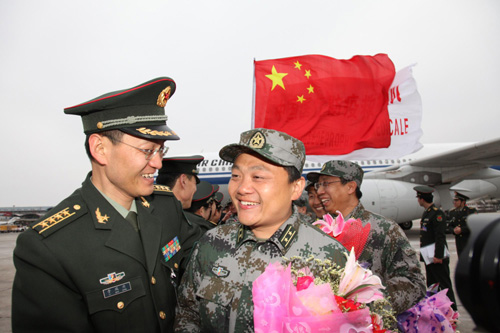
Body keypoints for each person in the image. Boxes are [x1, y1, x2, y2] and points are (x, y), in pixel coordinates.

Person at [12, 77, 186, 332]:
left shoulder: (165, 206)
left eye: (162, 151)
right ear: (100, 149)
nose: (158, 163)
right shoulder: (48, 248)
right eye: (148, 150)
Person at [174, 128, 348, 332]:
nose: (241, 188)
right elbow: (187, 314)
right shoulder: (211, 244)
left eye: (258, 176)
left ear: (296, 187)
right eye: (236, 175)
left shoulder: (330, 258)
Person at [307, 161, 426, 315]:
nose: (320, 191)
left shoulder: (383, 229)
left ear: (350, 187)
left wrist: (366, 303)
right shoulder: (316, 230)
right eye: (318, 185)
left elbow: (414, 284)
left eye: (326, 184)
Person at [152, 155, 207, 274]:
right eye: (194, 182)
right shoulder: (188, 226)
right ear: (183, 181)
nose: (195, 189)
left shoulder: (145, 212)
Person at [414, 185, 458, 311]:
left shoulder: (437, 214)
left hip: (437, 256)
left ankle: (453, 310)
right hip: (429, 256)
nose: (418, 200)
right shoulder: (427, 213)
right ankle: (435, 310)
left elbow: (440, 237)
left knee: (443, 284)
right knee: (432, 285)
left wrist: (438, 256)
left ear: (422, 199)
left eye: (419, 198)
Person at [447, 191, 477, 256]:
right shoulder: (452, 212)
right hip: (459, 243)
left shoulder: (470, 211)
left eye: (457, 200)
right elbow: (449, 226)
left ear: (463, 202)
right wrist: (453, 230)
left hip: (469, 241)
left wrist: (462, 230)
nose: (454, 202)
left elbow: (474, 226)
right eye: (454, 201)